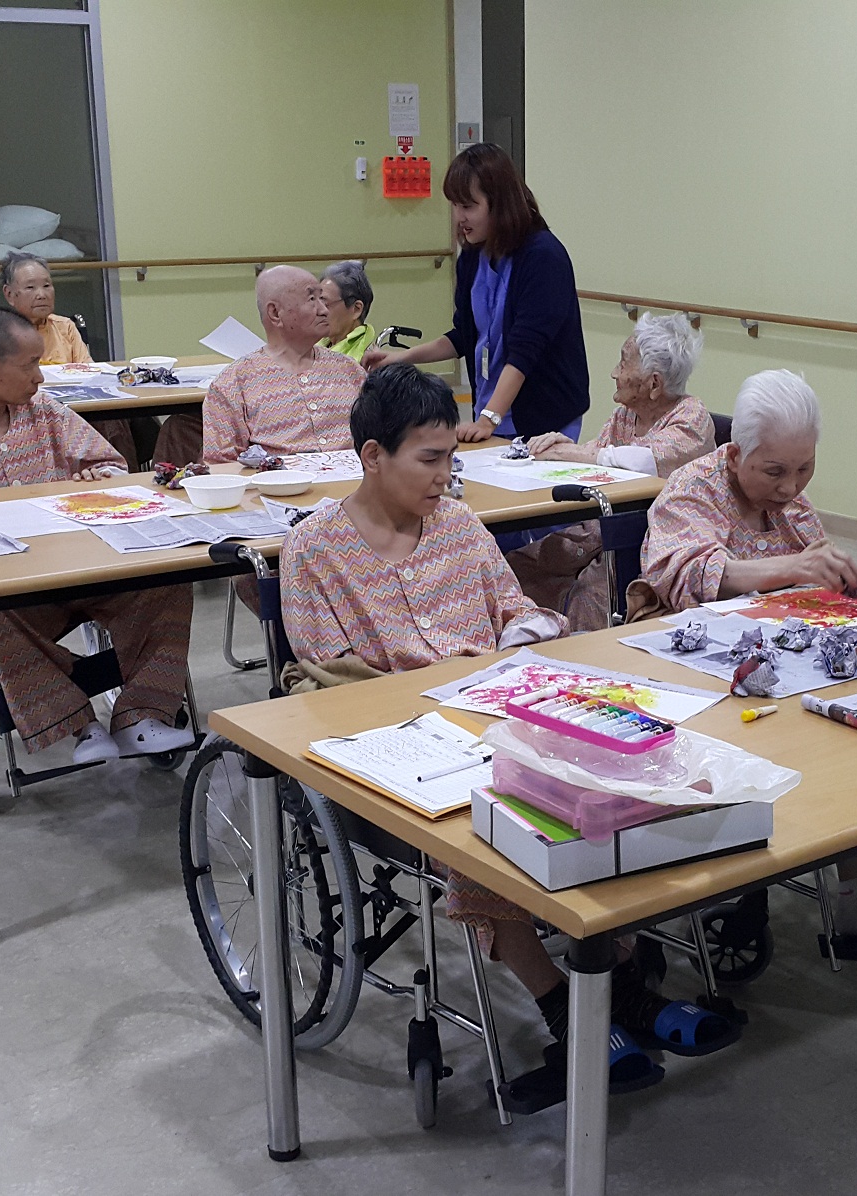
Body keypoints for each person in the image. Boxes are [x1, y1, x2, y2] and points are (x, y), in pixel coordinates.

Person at [281, 364, 736, 1111]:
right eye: (429, 459)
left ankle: (622, 983)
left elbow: (520, 612)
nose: (445, 476)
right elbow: (328, 684)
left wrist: (512, 642)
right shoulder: (313, 551)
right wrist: (438, 682)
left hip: (502, 714)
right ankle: (565, 1007)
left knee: (615, 789)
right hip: (402, 747)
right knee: (489, 823)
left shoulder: (458, 526)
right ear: (372, 456)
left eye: (449, 459)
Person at [636, 369, 857, 949]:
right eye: (775, 472)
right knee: (830, 726)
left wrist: (842, 576)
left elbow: (814, 564)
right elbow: (688, 575)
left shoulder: (790, 502)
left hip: (784, 662)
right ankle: (852, 892)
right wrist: (791, 569)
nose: (791, 487)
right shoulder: (692, 491)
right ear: (737, 453)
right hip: (701, 675)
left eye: (804, 469)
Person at [0, 307, 195, 766]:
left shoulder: (44, 411)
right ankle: (76, 721)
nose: (40, 377)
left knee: (169, 582)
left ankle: (141, 714)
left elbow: (109, 463)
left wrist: (96, 477)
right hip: (10, 584)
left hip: (80, 564)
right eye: (30, 366)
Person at [364, 143, 590, 444]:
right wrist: (401, 358)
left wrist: (488, 418)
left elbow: (525, 351)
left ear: (500, 204)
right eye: (455, 206)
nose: (459, 218)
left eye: (468, 207)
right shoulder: (473, 256)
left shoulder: (543, 257)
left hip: (542, 415)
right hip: (492, 413)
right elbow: (464, 336)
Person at [507, 312, 716, 630]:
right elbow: (598, 455)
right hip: (596, 535)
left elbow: (642, 461)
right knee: (512, 569)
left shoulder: (691, 419)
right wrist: (561, 450)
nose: (614, 373)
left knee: (588, 600)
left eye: (623, 362)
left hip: (645, 545)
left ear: (654, 384)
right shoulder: (625, 415)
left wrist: (571, 453)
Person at [201, 265, 365, 463]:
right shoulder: (232, 385)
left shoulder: (351, 371)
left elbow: (382, 443)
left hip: (354, 481)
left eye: (322, 299)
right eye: (311, 299)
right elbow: (221, 467)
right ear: (275, 313)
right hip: (276, 482)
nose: (323, 310)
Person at [0, 250, 144, 468]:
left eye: (47, 285)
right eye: (30, 288)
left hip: (77, 409)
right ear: (10, 294)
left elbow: (90, 373)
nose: (42, 294)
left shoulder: (65, 326)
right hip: (29, 413)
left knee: (113, 420)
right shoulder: (0, 334)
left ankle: (122, 477)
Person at [319, 259, 377, 360]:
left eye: (325, 304)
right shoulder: (314, 344)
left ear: (356, 309)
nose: (318, 311)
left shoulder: (368, 359)